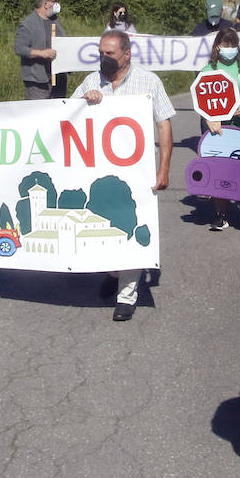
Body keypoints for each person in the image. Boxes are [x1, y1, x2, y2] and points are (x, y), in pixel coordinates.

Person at [72, 29, 175, 321]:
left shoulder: (149, 82)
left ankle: (127, 295)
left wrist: (164, 167)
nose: (104, 59)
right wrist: (83, 101)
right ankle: (114, 271)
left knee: (130, 221)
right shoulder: (92, 81)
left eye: (110, 54)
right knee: (103, 223)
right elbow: (67, 116)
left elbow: (164, 125)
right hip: (99, 171)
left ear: (126, 55)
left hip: (136, 171)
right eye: (101, 53)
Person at [197, 27, 240, 231]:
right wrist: (208, 119)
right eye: (226, 45)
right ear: (218, 46)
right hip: (218, 131)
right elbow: (201, 102)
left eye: (233, 45)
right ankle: (221, 216)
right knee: (218, 174)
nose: (230, 49)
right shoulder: (208, 71)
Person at [14, 0, 60, 100]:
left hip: (57, 79)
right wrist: (41, 53)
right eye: (54, 1)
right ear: (46, 4)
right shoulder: (28, 24)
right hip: (37, 81)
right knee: (37, 113)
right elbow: (19, 48)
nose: (57, 4)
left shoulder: (54, 21)